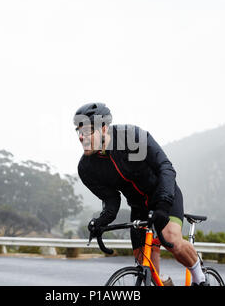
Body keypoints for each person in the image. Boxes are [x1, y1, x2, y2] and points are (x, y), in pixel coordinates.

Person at [74, 102, 207, 286]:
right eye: (78, 132)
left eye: (87, 131)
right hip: (138, 207)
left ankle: (201, 279)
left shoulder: (131, 138)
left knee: (171, 239)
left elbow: (165, 168)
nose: (81, 137)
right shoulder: (87, 168)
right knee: (143, 262)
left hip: (164, 195)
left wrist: (163, 205)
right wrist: (101, 221)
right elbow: (111, 200)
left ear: (103, 128)